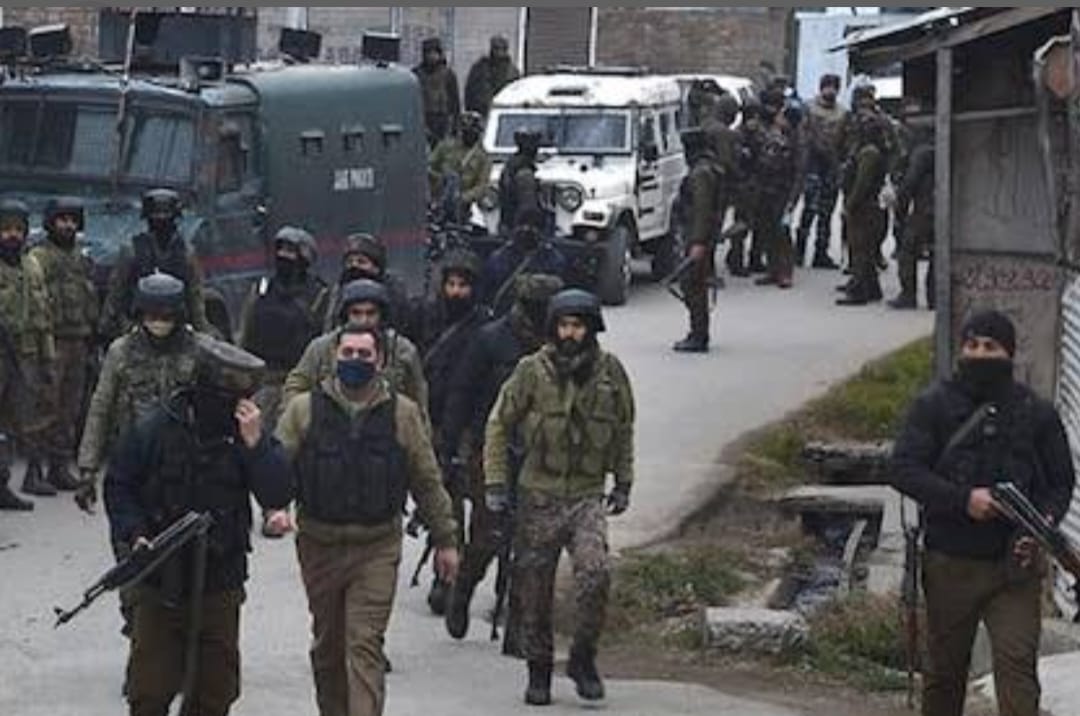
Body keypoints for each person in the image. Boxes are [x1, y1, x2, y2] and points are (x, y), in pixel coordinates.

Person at [890, 310, 1075, 716]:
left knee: (1018, 674)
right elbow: (903, 469)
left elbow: (1061, 482)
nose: (978, 353)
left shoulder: (1036, 412)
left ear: (1009, 353)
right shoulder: (933, 405)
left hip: (1014, 568)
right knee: (943, 676)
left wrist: (1042, 524)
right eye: (971, 345)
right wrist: (963, 500)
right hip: (951, 564)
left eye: (990, 346)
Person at [275, 325, 459, 716]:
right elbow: (277, 469)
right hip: (319, 546)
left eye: (364, 354)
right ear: (334, 357)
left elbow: (427, 480)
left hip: (377, 547)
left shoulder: (403, 414)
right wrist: (274, 508)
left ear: (380, 361)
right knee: (328, 647)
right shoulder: (303, 410)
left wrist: (446, 540)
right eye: (348, 353)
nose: (355, 361)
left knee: (365, 645)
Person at [104, 336, 291, 716]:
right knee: (149, 691)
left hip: (220, 581)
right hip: (160, 579)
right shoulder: (155, 429)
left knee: (215, 692)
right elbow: (119, 485)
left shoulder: (244, 435)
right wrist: (136, 533)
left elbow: (277, 493)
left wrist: (256, 446)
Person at [484, 288, 634, 706]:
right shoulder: (531, 371)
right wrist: (495, 483)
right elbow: (498, 424)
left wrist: (624, 482)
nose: (570, 334)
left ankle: (583, 656)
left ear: (592, 329)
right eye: (564, 325)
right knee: (534, 590)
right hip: (539, 495)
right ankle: (539, 668)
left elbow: (624, 429)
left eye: (578, 326)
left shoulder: (610, 373)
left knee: (595, 573)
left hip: (587, 496)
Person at [441, 273, 564, 640]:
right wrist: (450, 448)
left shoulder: (563, 345)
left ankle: (519, 621)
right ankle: (464, 586)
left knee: (533, 540)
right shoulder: (490, 339)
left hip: (543, 455)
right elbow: (461, 392)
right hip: (492, 448)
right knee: (489, 533)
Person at [405, 249, 489, 613]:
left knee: (482, 512)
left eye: (462, 286)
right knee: (445, 503)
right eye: (450, 284)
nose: (455, 292)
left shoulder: (485, 329)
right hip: (434, 424)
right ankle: (446, 577)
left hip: (472, 428)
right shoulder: (428, 320)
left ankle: (465, 575)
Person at [237, 226, 329, 537]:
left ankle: (287, 507)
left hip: (298, 379)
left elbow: (325, 341)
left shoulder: (320, 295)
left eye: (292, 252)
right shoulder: (262, 288)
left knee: (290, 445)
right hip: (263, 378)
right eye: (281, 251)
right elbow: (245, 331)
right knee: (258, 443)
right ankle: (271, 507)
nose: (284, 258)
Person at [30, 197, 101, 493]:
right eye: (62, 220)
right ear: (51, 222)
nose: (68, 226)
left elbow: (90, 297)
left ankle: (59, 466)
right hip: (51, 340)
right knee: (44, 405)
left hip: (78, 339)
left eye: (73, 220)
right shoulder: (39, 257)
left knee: (70, 407)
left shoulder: (81, 258)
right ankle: (34, 470)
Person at [284, 279, 428, 421]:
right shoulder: (321, 347)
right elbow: (296, 385)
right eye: (356, 313)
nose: (364, 320)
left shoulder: (402, 350)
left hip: (385, 426)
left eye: (371, 313)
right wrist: (303, 418)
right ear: (346, 315)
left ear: (382, 315)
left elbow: (418, 397)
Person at [0, 198, 55, 508]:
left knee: (18, 422)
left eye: (18, 229)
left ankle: (6, 483)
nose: (12, 235)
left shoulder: (32, 266)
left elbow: (43, 315)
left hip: (25, 355)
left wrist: (48, 358)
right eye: (6, 229)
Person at [99, 188, 209, 343]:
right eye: (156, 219)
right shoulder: (132, 252)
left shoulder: (185, 253)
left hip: (176, 330)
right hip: (138, 330)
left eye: (167, 219)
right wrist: (109, 329)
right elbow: (117, 295)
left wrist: (203, 335)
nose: (162, 224)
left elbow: (195, 299)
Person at [673, 126, 725, 353]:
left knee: (693, 285)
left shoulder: (701, 173)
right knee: (694, 284)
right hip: (701, 235)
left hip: (698, 236)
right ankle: (698, 332)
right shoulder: (708, 167)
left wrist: (697, 242)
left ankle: (699, 335)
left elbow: (702, 210)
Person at [837, 111, 888, 306]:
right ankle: (872, 287)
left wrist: (850, 205)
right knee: (865, 248)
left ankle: (859, 290)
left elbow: (862, 183)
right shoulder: (870, 150)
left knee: (860, 248)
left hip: (865, 206)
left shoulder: (869, 153)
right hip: (869, 206)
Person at [795, 74, 845, 269]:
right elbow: (801, 136)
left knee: (826, 212)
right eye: (827, 86)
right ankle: (799, 251)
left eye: (834, 87)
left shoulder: (842, 113)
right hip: (812, 165)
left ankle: (821, 253)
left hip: (831, 167)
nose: (830, 90)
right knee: (809, 210)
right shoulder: (808, 108)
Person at [752, 90, 801, 290]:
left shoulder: (796, 140)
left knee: (782, 232)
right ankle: (772, 269)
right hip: (766, 189)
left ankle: (785, 272)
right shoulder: (772, 134)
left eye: (781, 116)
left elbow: (799, 171)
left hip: (783, 191)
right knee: (767, 230)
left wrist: (793, 198)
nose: (777, 118)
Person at [481, 208, 568, 316]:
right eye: (522, 225)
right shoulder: (499, 258)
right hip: (505, 315)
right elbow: (488, 291)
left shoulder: (554, 259)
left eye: (533, 226)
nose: (526, 230)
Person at [322, 233, 410, 334]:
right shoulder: (337, 292)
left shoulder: (393, 293)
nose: (354, 266)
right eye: (349, 262)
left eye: (361, 261)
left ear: (376, 268)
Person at [889, 127, 935, 310]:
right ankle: (934, 296)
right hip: (943, 210)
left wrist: (900, 210)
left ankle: (908, 295)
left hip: (924, 210)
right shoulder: (946, 147)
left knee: (907, 251)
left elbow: (910, 183)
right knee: (937, 254)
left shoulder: (922, 153)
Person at [428, 112, 493, 224]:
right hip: (437, 200)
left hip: (461, 208)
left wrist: (463, 198)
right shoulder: (446, 147)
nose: (469, 135)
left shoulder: (483, 157)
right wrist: (439, 179)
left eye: (473, 133)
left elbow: (482, 186)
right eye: (466, 132)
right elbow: (428, 167)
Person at [413, 37, 461, 147]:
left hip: (442, 120)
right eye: (428, 53)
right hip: (423, 118)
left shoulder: (448, 75)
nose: (431, 56)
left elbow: (455, 102)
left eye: (434, 53)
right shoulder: (417, 75)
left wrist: (455, 126)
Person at [498, 129, 543, 235]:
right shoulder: (523, 171)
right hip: (519, 221)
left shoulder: (512, 164)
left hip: (511, 217)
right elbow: (528, 205)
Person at [464, 35, 520, 118]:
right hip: (481, 113)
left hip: (503, 113)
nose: (499, 52)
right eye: (496, 48)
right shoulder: (480, 68)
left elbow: (517, 94)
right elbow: (469, 91)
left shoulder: (512, 71)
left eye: (502, 49)